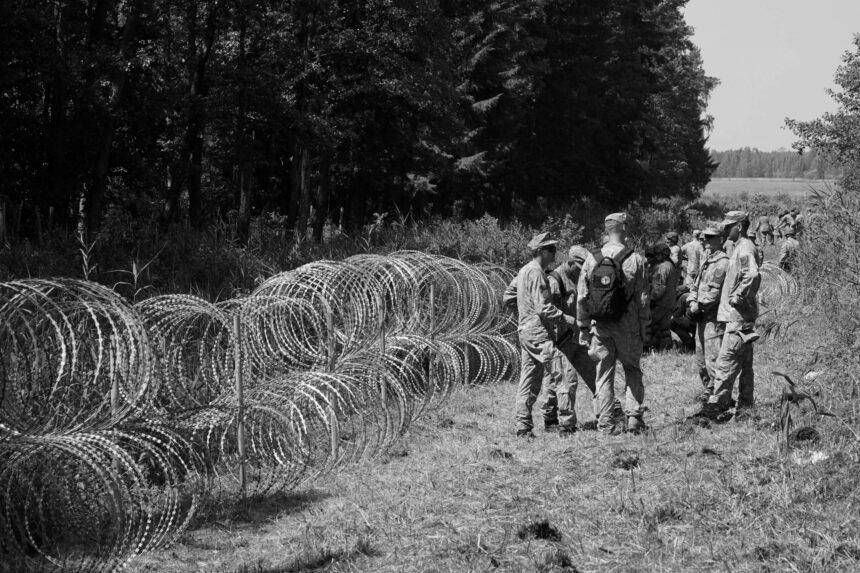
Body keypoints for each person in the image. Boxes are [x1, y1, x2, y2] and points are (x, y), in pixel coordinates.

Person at [577, 213, 650, 434]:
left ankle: (606, 423)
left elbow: (582, 296)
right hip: (628, 326)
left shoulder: (592, 258)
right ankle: (634, 418)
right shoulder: (635, 259)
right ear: (624, 228)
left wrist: (583, 326)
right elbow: (643, 299)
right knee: (632, 369)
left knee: (604, 373)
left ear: (607, 230)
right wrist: (644, 326)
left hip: (601, 326)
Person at [503, 233, 578, 437]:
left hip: (526, 332)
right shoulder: (536, 273)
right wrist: (568, 319)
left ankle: (523, 427)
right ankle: (566, 425)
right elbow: (544, 308)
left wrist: (524, 314)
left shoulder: (524, 271)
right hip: (538, 333)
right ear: (541, 251)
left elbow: (508, 297)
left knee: (529, 379)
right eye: (551, 249)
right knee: (562, 373)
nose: (554, 253)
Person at [697, 211, 761, 419]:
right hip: (739, 316)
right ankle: (745, 407)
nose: (724, 230)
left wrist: (738, 297)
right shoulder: (740, 247)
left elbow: (752, 274)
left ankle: (716, 406)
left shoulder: (744, 248)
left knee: (726, 361)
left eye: (728, 226)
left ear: (740, 226)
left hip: (738, 317)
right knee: (745, 364)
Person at [540, 246, 599, 434]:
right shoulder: (554, 280)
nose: (583, 271)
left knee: (593, 373)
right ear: (571, 262)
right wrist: (572, 321)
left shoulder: (581, 277)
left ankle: (611, 410)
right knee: (565, 381)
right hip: (560, 340)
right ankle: (563, 423)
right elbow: (547, 311)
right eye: (580, 267)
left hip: (577, 338)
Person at [687, 226, 729, 402]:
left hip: (713, 317)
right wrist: (691, 300)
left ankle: (719, 396)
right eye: (705, 237)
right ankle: (708, 389)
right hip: (701, 316)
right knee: (700, 360)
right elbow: (696, 283)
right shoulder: (707, 258)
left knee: (713, 359)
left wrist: (699, 304)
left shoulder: (723, 262)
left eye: (711, 237)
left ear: (720, 239)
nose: (706, 240)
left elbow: (715, 292)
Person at [646, 243, 677, 350]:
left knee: (650, 324)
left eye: (657, 254)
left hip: (661, 302)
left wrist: (651, 299)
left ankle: (648, 346)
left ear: (661, 254)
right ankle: (666, 347)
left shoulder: (662, 267)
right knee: (664, 327)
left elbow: (659, 288)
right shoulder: (670, 264)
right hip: (669, 302)